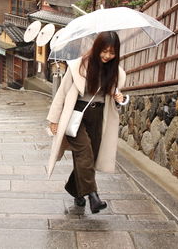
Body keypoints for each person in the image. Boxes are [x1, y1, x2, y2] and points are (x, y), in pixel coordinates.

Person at [47, 31, 126, 213]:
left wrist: (118, 97)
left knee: (89, 155)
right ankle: (93, 196)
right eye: (104, 51)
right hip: (75, 115)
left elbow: (113, 100)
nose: (107, 56)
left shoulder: (116, 73)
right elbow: (62, 92)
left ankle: (75, 191)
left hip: (98, 117)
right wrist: (54, 119)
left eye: (112, 53)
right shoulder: (78, 66)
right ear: (97, 48)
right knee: (85, 153)